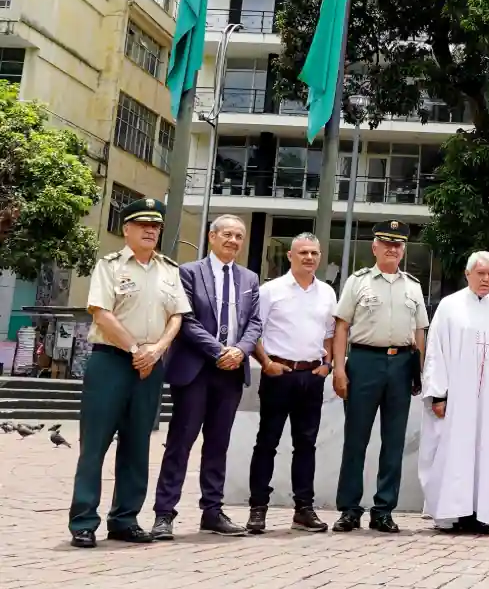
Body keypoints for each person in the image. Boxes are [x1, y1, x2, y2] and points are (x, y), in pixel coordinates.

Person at [69, 199, 191, 549]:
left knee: (137, 445)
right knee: (94, 445)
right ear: (127, 229)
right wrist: (137, 349)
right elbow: (101, 312)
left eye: (156, 226)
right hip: (111, 361)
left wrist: (158, 349)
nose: (151, 230)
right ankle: (83, 521)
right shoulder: (109, 266)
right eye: (142, 225)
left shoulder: (169, 269)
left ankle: (125, 519)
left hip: (151, 365)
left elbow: (177, 316)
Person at [151, 215, 263, 539]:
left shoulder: (249, 279)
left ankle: (212, 511)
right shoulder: (188, 272)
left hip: (231, 373)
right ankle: (164, 514)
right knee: (180, 443)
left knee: (218, 444)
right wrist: (219, 351)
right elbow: (184, 320)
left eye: (239, 236)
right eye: (227, 234)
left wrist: (240, 351)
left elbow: (254, 323)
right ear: (212, 237)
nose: (233, 240)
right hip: (195, 370)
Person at [331, 221, 429, 535]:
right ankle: (349, 509)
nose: (392, 249)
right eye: (386, 243)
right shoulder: (358, 282)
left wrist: (420, 369)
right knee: (355, 439)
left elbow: (419, 332)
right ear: (374, 247)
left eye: (398, 244)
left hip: (401, 364)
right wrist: (339, 367)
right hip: (363, 361)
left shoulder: (413, 286)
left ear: (404, 250)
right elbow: (342, 326)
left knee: (394, 442)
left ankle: (383, 510)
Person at [245, 232, 335, 535]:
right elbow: (253, 330)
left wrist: (327, 365)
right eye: (303, 253)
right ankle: (258, 508)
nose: (309, 258)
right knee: (267, 443)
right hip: (278, 374)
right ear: (290, 256)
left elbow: (329, 333)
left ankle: (303, 509)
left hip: (312, 377)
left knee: (306, 445)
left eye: (314, 253)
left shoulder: (327, 293)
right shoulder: (270, 290)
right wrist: (266, 363)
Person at [418, 251, 489, 533]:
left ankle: (481, 513)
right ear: (467, 273)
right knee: (455, 450)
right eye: (480, 273)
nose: (485, 279)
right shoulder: (450, 306)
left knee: (486, 451)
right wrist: (438, 394)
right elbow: (436, 351)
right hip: (457, 397)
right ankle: (453, 512)